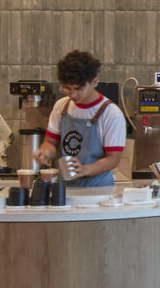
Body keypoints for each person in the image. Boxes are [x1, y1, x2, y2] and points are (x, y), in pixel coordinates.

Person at [43, 50, 128, 190]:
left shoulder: (111, 114)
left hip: (99, 191)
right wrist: (45, 152)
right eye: (67, 89)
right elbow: (50, 143)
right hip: (65, 190)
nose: (73, 94)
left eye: (79, 89)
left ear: (95, 81)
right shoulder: (62, 106)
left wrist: (84, 170)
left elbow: (113, 159)